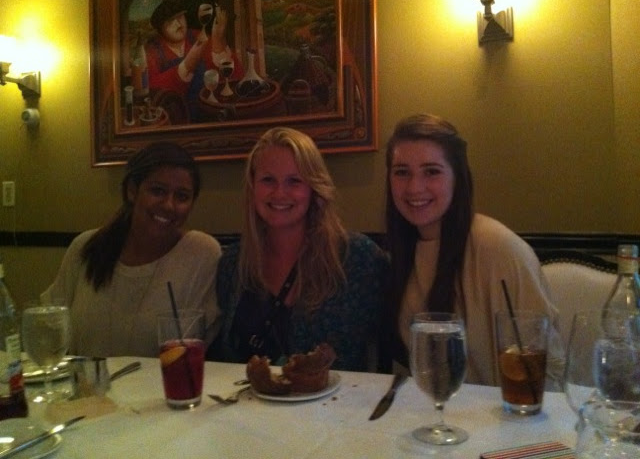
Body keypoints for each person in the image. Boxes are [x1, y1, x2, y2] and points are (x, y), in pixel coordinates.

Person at [381, 113, 562, 387]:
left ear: (458, 178)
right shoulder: (402, 250)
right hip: (439, 408)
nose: (414, 187)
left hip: (506, 410)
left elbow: (549, 369)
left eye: (432, 171)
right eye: (402, 172)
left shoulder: (498, 247)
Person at [211, 127, 388, 371]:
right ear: (252, 187)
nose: (279, 193)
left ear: (314, 188)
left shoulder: (359, 258)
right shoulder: (232, 264)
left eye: (294, 181)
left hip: (341, 396)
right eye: (268, 180)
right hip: (246, 396)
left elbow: (388, 347)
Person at [41, 142, 221, 358]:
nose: (169, 205)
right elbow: (49, 332)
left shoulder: (201, 254)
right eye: (158, 191)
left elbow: (205, 348)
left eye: (182, 196)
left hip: (164, 381)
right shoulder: (86, 247)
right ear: (132, 191)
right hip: (85, 380)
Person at [145, 0, 244, 117]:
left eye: (180, 17)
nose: (178, 24)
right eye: (170, 22)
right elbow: (151, 90)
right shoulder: (153, 51)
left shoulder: (198, 36)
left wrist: (218, 45)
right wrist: (186, 67)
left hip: (206, 110)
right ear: (160, 30)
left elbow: (236, 77)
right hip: (177, 117)